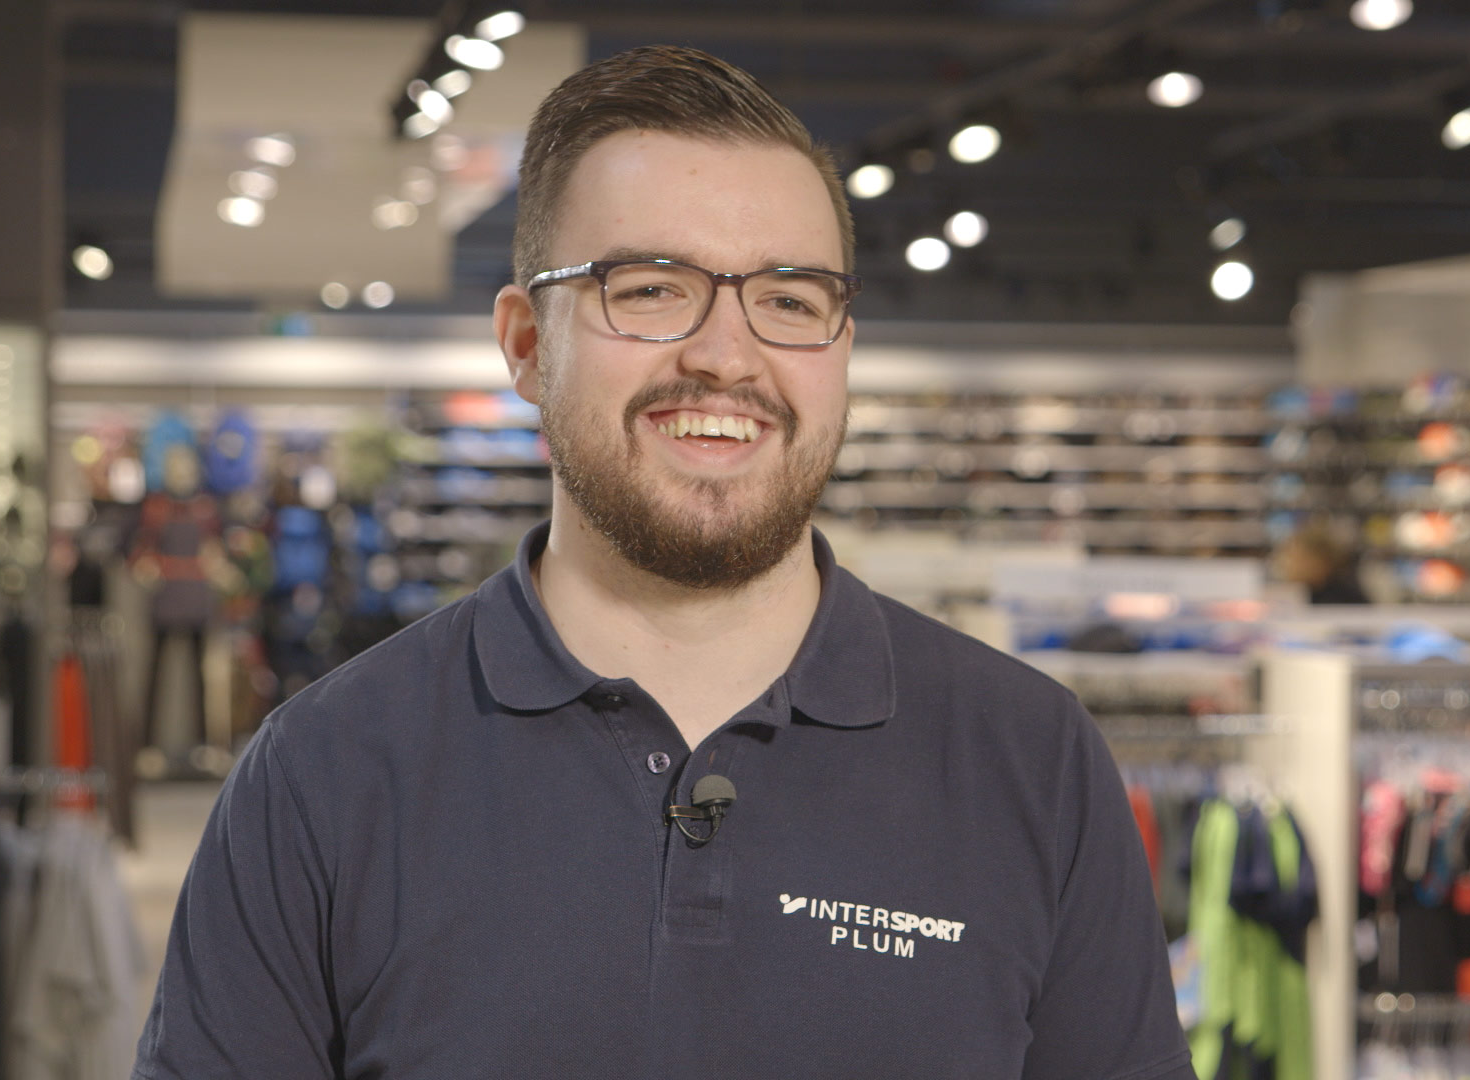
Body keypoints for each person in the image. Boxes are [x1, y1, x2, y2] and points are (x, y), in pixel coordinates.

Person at [132, 46, 1192, 1080]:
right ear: (526, 345)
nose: (726, 357)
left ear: (842, 347)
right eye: (648, 289)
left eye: (789, 299)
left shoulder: (1034, 761)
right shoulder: (324, 774)